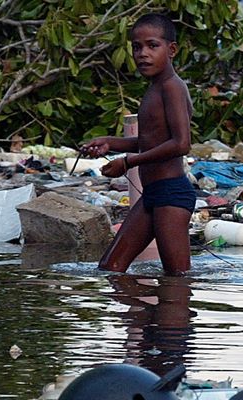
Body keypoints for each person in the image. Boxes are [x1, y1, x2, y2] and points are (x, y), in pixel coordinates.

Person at [80, 13, 194, 276]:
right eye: (136, 47)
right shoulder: (154, 88)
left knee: (177, 279)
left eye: (152, 45)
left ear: (172, 50)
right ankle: (142, 305)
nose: (143, 54)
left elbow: (181, 144)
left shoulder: (172, 87)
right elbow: (149, 142)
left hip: (171, 194)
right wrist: (110, 143)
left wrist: (128, 163)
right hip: (152, 194)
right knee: (110, 269)